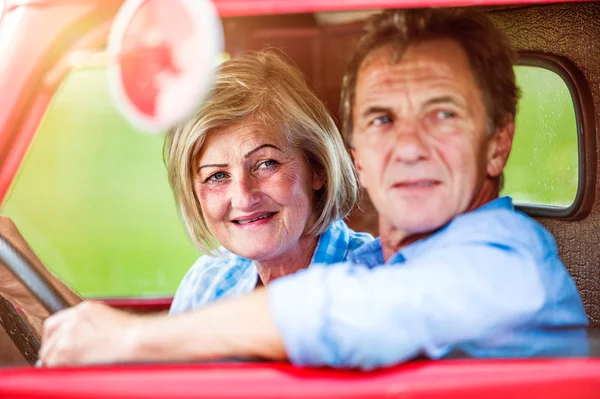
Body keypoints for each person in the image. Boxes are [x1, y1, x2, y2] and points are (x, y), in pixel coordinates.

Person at [38, 9, 589, 369]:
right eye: (381, 120)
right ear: (357, 156)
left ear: (497, 144)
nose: (409, 147)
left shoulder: (510, 262)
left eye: (442, 114)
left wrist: (134, 339)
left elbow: (348, 313)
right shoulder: (399, 265)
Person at [0, 51, 372, 335]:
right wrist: (22, 282)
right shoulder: (212, 278)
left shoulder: (377, 277)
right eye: (216, 176)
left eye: (266, 164)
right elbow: (147, 380)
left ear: (317, 169)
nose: (243, 197)